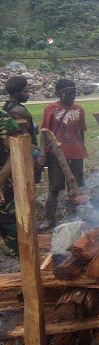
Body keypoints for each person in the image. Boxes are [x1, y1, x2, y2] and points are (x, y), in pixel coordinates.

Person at [38, 79, 88, 228]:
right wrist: (43, 153)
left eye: (74, 93)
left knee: (75, 187)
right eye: (69, 93)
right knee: (54, 187)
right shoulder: (51, 109)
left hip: (76, 153)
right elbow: (44, 133)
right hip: (56, 154)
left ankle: (74, 216)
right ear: (59, 94)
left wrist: (81, 148)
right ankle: (50, 219)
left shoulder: (79, 109)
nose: (72, 97)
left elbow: (81, 132)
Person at [4, 76, 43, 183]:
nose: (28, 94)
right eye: (26, 91)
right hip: (23, 153)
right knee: (27, 184)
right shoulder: (19, 111)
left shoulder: (8, 106)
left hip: (12, 153)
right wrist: (40, 153)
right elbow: (23, 139)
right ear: (17, 93)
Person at [0, 110, 23, 256]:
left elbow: (17, 149)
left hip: (3, 187)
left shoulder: (1, 118)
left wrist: (1, 178)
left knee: (13, 232)